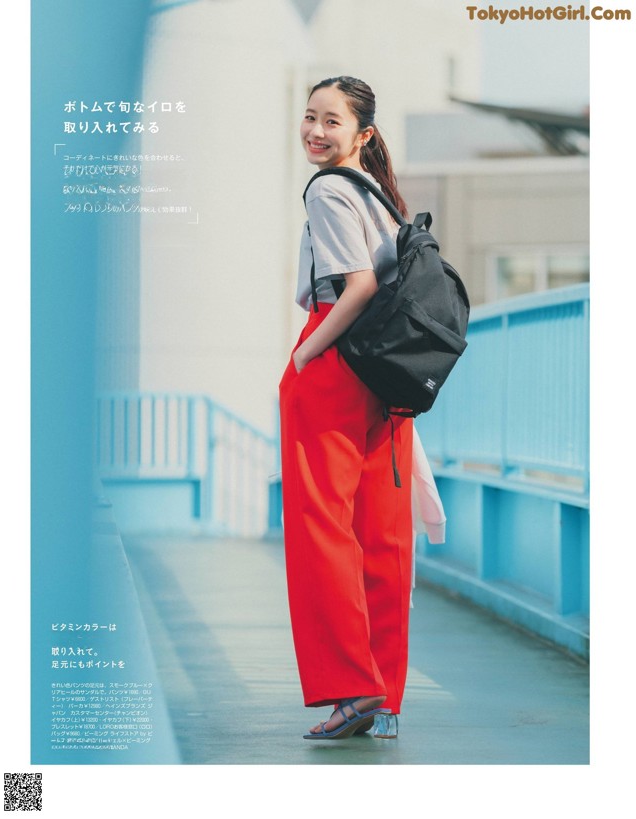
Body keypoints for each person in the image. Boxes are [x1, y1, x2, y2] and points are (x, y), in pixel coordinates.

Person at [279, 76, 414, 741]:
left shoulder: (329, 189)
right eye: (308, 117)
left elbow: (355, 285)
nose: (314, 130)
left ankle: (350, 688)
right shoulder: (384, 197)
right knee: (382, 530)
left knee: (321, 528)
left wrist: (306, 357)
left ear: (361, 134)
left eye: (331, 121)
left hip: (336, 356)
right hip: (389, 367)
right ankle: (382, 690)